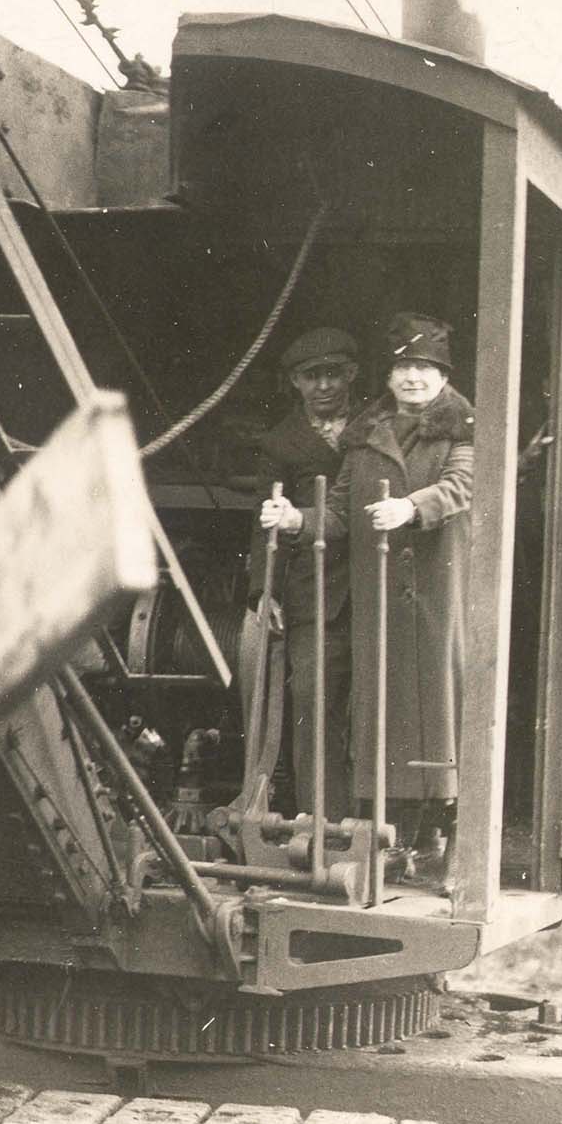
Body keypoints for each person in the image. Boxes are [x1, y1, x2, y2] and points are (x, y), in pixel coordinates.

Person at [261, 312, 474, 858]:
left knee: (434, 715)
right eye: (404, 367)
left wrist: (411, 506)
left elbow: (461, 487)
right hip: (379, 594)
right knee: (380, 718)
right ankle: (375, 833)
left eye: (425, 368)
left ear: (444, 377)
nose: (413, 379)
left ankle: (436, 831)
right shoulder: (366, 438)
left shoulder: (463, 429)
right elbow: (337, 511)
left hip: (429, 597)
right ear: (387, 378)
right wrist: (295, 521)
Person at [245, 326, 357, 821]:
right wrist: (263, 592)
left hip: (382, 588)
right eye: (312, 377)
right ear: (294, 383)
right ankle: (325, 822)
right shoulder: (281, 445)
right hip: (314, 592)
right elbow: (263, 521)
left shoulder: (379, 425)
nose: (325, 386)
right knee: (313, 696)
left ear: (352, 374)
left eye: (334, 373)